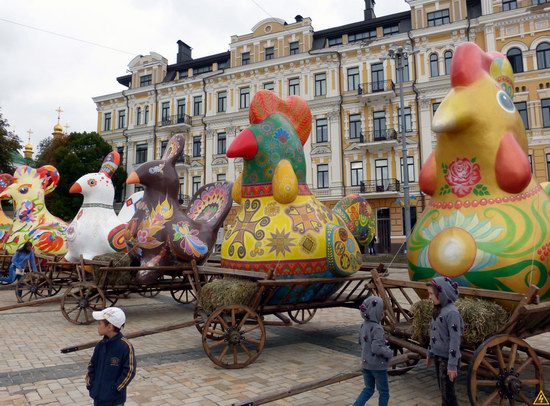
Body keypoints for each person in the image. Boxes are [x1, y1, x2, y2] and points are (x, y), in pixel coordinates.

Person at [86, 307, 136, 406]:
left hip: (114, 400)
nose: (98, 326)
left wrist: (116, 388)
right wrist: (91, 384)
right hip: (98, 397)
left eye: (100, 323)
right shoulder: (100, 345)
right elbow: (92, 365)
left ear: (110, 327)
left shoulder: (125, 347)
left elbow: (129, 371)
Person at [426, 277, 464, 406]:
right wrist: (430, 353)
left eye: (431, 293)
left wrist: (452, 365)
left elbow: (455, 340)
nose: (429, 297)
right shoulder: (438, 310)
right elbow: (434, 334)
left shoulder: (452, 313)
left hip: (448, 359)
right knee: (444, 392)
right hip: (439, 357)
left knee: (449, 395)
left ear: (442, 294)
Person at [354, 296, 393, 406]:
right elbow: (376, 348)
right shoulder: (378, 328)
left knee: (368, 389)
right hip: (378, 366)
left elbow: (360, 342)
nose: (383, 314)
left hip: (366, 364)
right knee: (384, 392)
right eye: (381, 311)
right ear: (376, 312)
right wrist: (389, 353)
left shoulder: (363, 325)